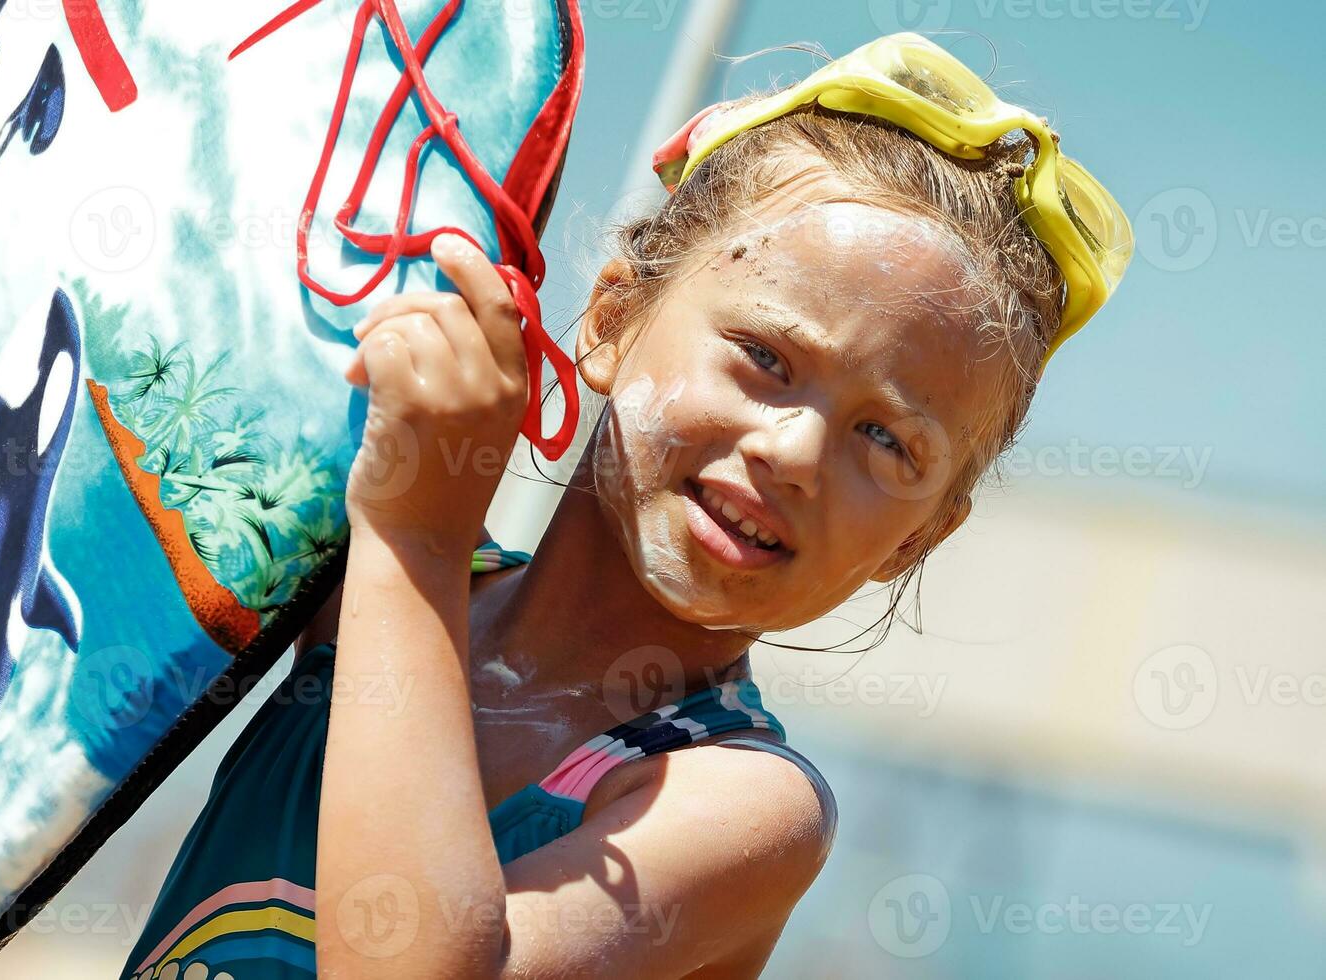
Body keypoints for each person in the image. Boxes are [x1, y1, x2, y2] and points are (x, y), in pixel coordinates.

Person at [120, 32, 1130, 979]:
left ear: (915, 537)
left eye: (885, 437)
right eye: (767, 358)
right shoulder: (359, 591)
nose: (795, 451)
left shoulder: (737, 804)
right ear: (609, 318)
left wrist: (417, 535)